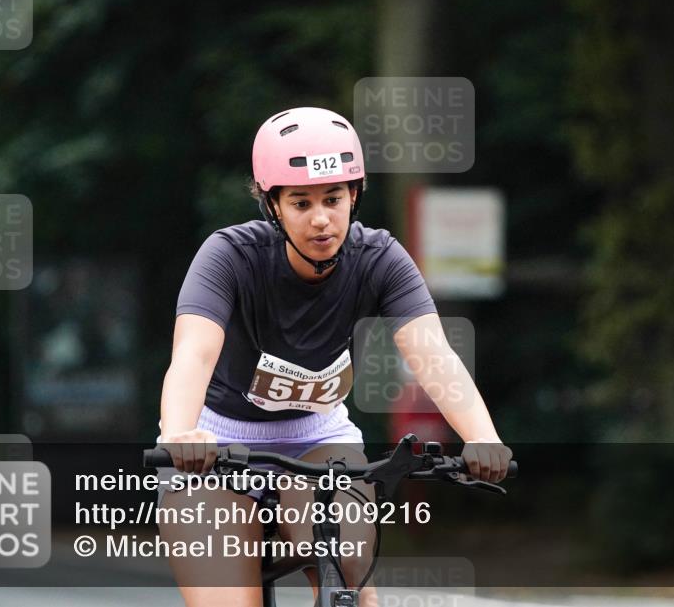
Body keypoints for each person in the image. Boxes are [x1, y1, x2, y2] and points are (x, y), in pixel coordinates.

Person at [157, 106, 512, 607]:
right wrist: (178, 435)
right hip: (216, 446)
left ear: (354, 196)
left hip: (318, 438)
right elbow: (193, 354)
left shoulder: (381, 259)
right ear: (273, 205)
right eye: (301, 203)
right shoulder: (229, 256)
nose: (321, 219)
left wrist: (482, 438)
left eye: (334, 198)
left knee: (349, 575)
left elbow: (433, 354)